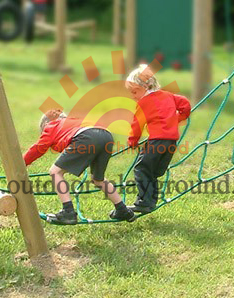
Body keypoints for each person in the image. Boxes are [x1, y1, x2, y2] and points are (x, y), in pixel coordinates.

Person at [23, 109, 135, 225]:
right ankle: (123, 209)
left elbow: (38, 148)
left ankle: (68, 212)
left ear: (46, 124)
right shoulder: (73, 121)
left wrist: (22, 162)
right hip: (106, 136)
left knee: (55, 171)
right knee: (98, 180)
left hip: (86, 137)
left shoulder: (52, 125)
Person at [125, 65, 192, 214]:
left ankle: (143, 202)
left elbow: (137, 123)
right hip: (171, 142)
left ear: (147, 86)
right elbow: (185, 105)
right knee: (153, 172)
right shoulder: (168, 95)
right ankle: (150, 202)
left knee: (141, 169)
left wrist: (132, 141)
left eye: (135, 92)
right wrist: (178, 118)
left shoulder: (143, 103)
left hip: (156, 141)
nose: (133, 96)